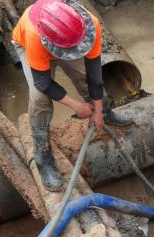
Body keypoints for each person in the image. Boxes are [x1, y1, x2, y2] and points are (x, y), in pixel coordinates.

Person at [12, 0, 132, 192]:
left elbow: (94, 75)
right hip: (29, 46)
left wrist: (98, 111)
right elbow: (42, 82)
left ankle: (107, 113)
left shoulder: (90, 24)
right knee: (39, 98)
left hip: (70, 40)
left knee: (84, 77)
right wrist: (77, 106)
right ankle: (43, 159)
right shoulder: (34, 34)